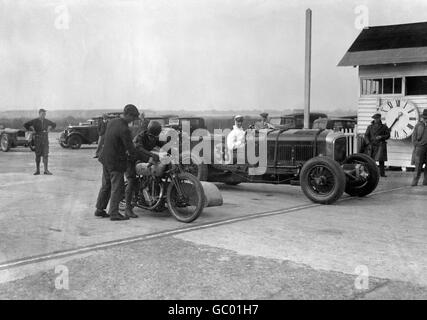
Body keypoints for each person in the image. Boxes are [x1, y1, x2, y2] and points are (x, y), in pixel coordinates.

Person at [94, 104, 140, 221]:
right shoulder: (124, 129)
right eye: (133, 117)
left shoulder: (113, 122)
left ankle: (99, 209)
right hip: (115, 162)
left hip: (105, 159)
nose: (133, 121)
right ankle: (114, 213)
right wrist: (142, 157)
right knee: (117, 187)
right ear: (128, 115)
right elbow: (130, 148)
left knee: (106, 185)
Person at [124, 121, 165, 218]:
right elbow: (139, 148)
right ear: (148, 132)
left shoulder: (154, 137)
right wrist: (152, 155)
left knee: (154, 174)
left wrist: (174, 149)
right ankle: (127, 209)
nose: (153, 138)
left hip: (140, 158)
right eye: (152, 136)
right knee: (131, 181)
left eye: (155, 136)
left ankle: (154, 200)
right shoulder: (140, 137)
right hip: (129, 159)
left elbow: (163, 145)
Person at [24, 109, 56, 175]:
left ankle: (46, 170)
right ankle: (37, 171)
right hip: (37, 139)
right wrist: (32, 129)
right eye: (42, 114)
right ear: (39, 114)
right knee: (37, 155)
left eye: (44, 114)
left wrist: (49, 129)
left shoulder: (47, 121)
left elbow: (54, 124)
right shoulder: (35, 121)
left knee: (45, 155)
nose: (43, 115)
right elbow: (25, 124)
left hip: (45, 139)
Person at [364, 113, 390, 177]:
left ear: (379, 118)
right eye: (375, 119)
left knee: (381, 160)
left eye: (377, 118)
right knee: (371, 160)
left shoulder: (384, 127)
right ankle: (371, 173)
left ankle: (382, 173)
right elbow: (366, 135)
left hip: (380, 145)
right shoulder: (370, 127)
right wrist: (368, 143)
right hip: (372, 145)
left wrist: (381, 137)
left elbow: (388, 135)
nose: (376, 120)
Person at [411, 109, 427, 186]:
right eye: (425, 118)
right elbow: (413, 136)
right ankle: (415, 181)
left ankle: (426, 181)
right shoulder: (418, 125)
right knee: (418, 164)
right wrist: (417, 144)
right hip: (420, 147)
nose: (425, 119)